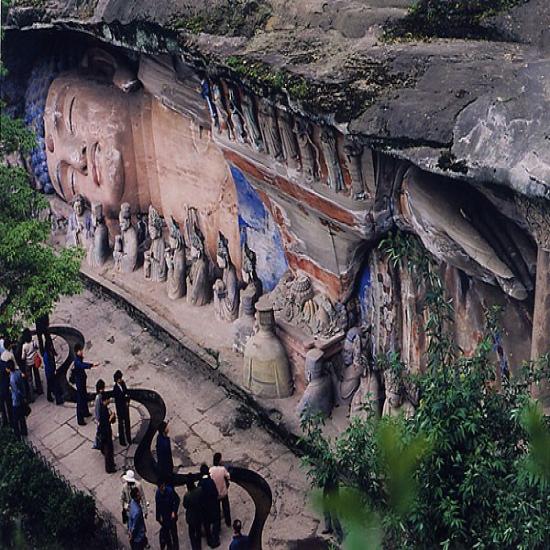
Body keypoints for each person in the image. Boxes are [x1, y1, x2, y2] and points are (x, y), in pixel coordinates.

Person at [72, 343, 98, 425]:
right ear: (77, 352)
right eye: (80, 351)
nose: (81, 352)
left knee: (84, 397)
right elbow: (82, 365)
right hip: (79, 382)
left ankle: (85, 412)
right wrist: (92, 365)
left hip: (82, 380)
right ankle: (80, 419)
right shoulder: (77, 361)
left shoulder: (79, 359)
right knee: (80, 400)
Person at [198, 463, 220, 548]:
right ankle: (215, 538)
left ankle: (209, 540)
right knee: (215, 521)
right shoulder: (211, 482)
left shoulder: (200, 483)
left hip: (205, 507)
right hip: (213, 505)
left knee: (206, 523)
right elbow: (215, 493)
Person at [155, 478, 180, 550]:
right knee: (166, 534)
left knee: (174, 533)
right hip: (164, 517)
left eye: (163, 487)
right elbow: (158, 505)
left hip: (171, 516)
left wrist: (174, 511)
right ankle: (169, 547)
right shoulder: (158, 494)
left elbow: (177, 501)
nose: (162, 489)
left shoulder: (170, 491)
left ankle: (176, 547)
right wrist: (158, 516)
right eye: (160, 488)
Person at [210, 452, 231, 528]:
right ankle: (228, 522)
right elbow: (228, 476)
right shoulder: (222, 469)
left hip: (216, 494)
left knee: (217, 511)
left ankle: (218, 526)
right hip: (223, 492)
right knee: (226, 508)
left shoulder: (211, 470)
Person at [321, 476, 344, 544]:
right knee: (326, 511)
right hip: (326, 493)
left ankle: (339, 534)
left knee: (334, 515)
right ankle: (328, 528)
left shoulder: (334, 474)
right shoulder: (326, 472)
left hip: (333, 495)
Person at [98, 392, 117, 473]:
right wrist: (110, 417)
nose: (109, 400)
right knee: (108, 451)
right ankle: (109, 468)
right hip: (105, 433)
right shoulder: (102, 410)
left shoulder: (104, 408)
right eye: (108, 399)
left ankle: (112, 464)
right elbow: (105, 423)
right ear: (105, 400)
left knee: (110, 450)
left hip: (106, 432)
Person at [21, 328, 43, 396]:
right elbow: (37, 348)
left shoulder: (24, 346)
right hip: (34, 361)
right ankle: (40, 390)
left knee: (30, 379)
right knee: (37, 375)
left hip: (28, 363)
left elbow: (23, 357)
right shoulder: (33, 342)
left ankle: (32, 395)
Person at [9, 360, 28, 437]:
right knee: (22, 417)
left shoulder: (12, 378)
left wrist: (11, 389)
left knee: (15, 419)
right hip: (22, 396)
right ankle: (24, 431)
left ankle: (17, 435)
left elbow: (16, 391)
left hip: (16, 400)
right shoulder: (18, 372)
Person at [113, 369, 132, 446]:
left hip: (125, 407)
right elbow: (118, 401)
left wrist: (127, 401)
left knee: (127, 423)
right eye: (119, 379)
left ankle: (129, 438)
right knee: (121, 425)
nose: (121, 380)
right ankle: (122, 441)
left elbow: (126, 392)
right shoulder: (115, 389)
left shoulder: (123, 383)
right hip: (120, 409)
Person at [183, 479, 203, 550]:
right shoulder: (199, 490)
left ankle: (194, 547)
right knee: (198, 531)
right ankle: (199, 546)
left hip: (191, 516)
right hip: (199, 514)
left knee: (191, 533)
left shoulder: (187, 495)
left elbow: (185, 505)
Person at [0, 341, 14, 427]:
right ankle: (11, 421)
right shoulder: (2, 363)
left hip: (1, 390)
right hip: (5, 387)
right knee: (9, 404)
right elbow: (7, 373)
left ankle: (5, 421)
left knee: (2, 407)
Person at [93, 379, 106, 449]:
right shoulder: (98, 398)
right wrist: (98, 420)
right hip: (101, 418)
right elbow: (97, 410)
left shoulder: (101, 396)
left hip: (102, 417)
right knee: (100, 432)